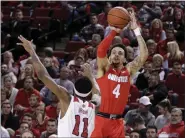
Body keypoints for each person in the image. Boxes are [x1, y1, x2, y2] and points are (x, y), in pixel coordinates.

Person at [17, 36, 100, 137]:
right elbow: (97, 93)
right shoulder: (94, 106)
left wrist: (32, 51)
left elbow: (42, 75)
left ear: (74, 88)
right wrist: (91, 76)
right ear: (89, 92)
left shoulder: (68, 100)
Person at [91, 11, 148, 137]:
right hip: (101, 119)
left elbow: (144, 56)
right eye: (114, 53)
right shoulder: (104, 68)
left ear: (124, 59)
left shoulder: (128, 71)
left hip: (117, 122)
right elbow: (101, 50)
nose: (116, 54)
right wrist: (114, 31)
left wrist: (136, 31)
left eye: (120, 53)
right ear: (109, 57)